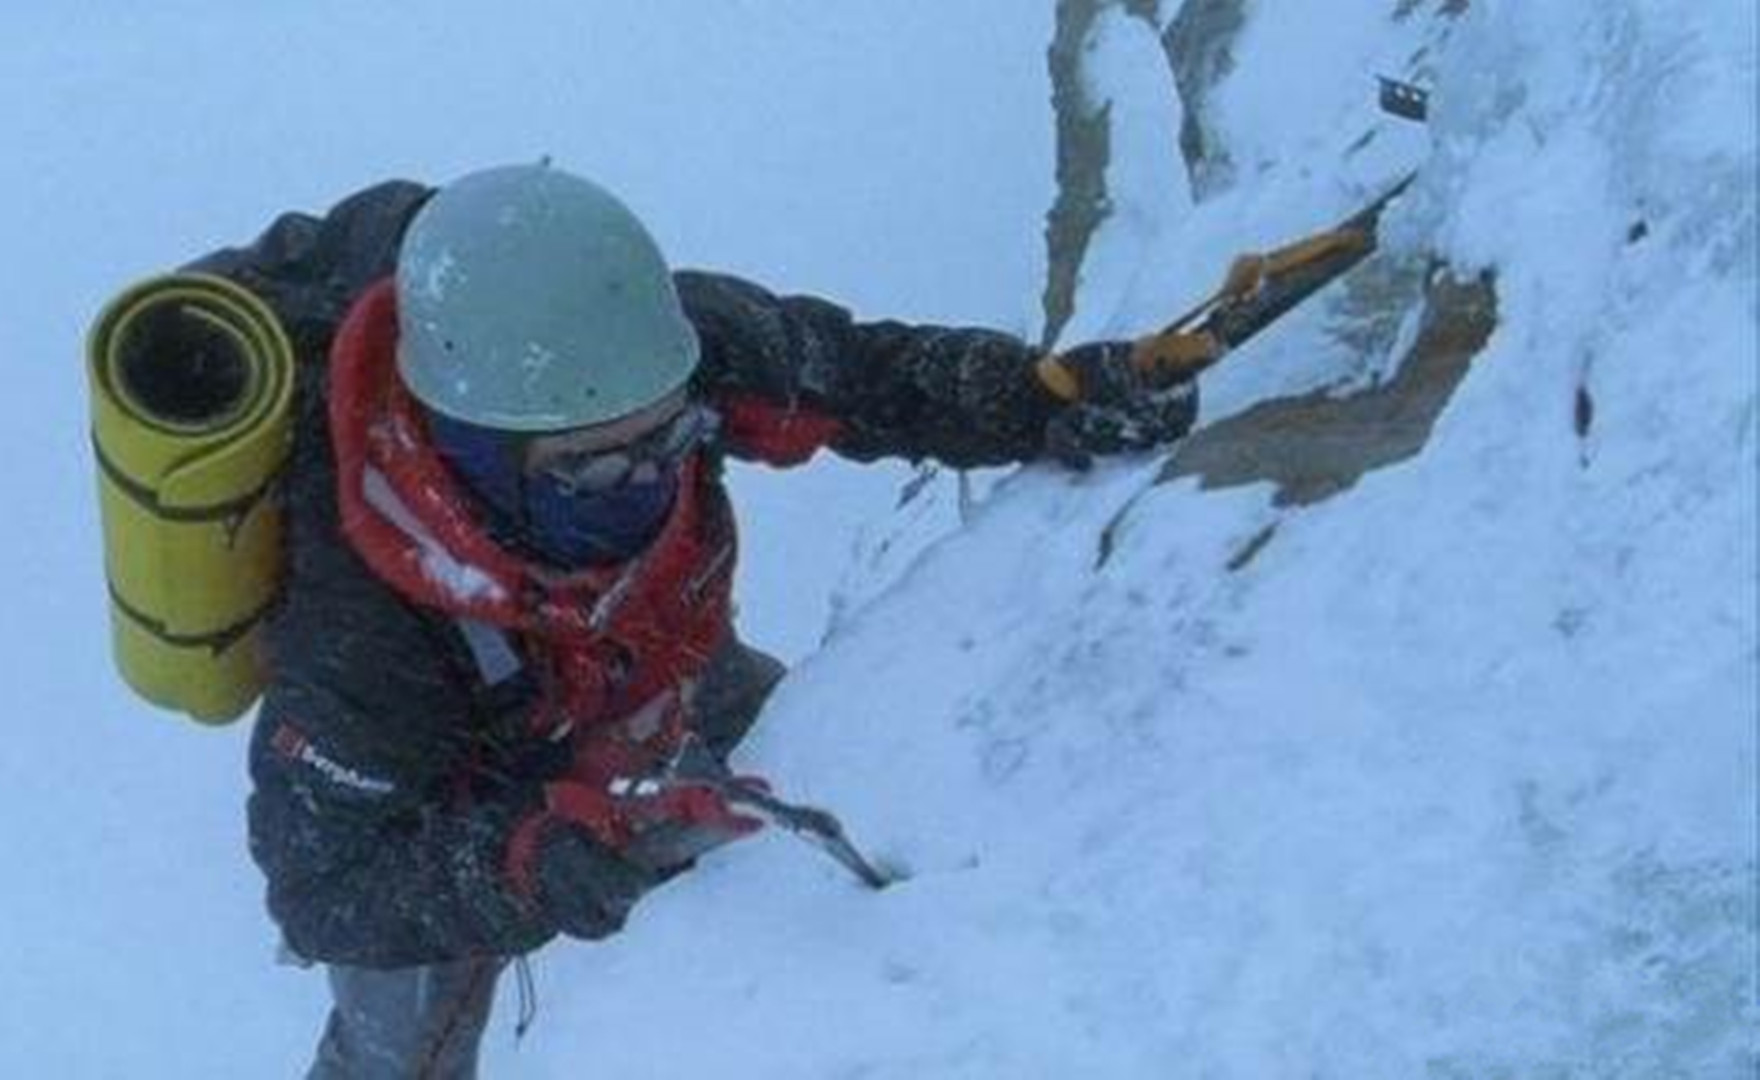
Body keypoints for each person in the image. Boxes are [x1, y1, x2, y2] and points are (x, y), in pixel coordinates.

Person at [183, 164, 1196, 1078]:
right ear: (475, 448)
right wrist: (532, 863)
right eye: (593, 464)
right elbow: (325, 889)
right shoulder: (362, 624)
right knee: (393, 1051)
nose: (650, 475)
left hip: (667, 671)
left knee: (818, 749)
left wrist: (1041, 398)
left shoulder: (667, 354)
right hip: (468, 796)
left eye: (669, 438)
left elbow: (868, 378)